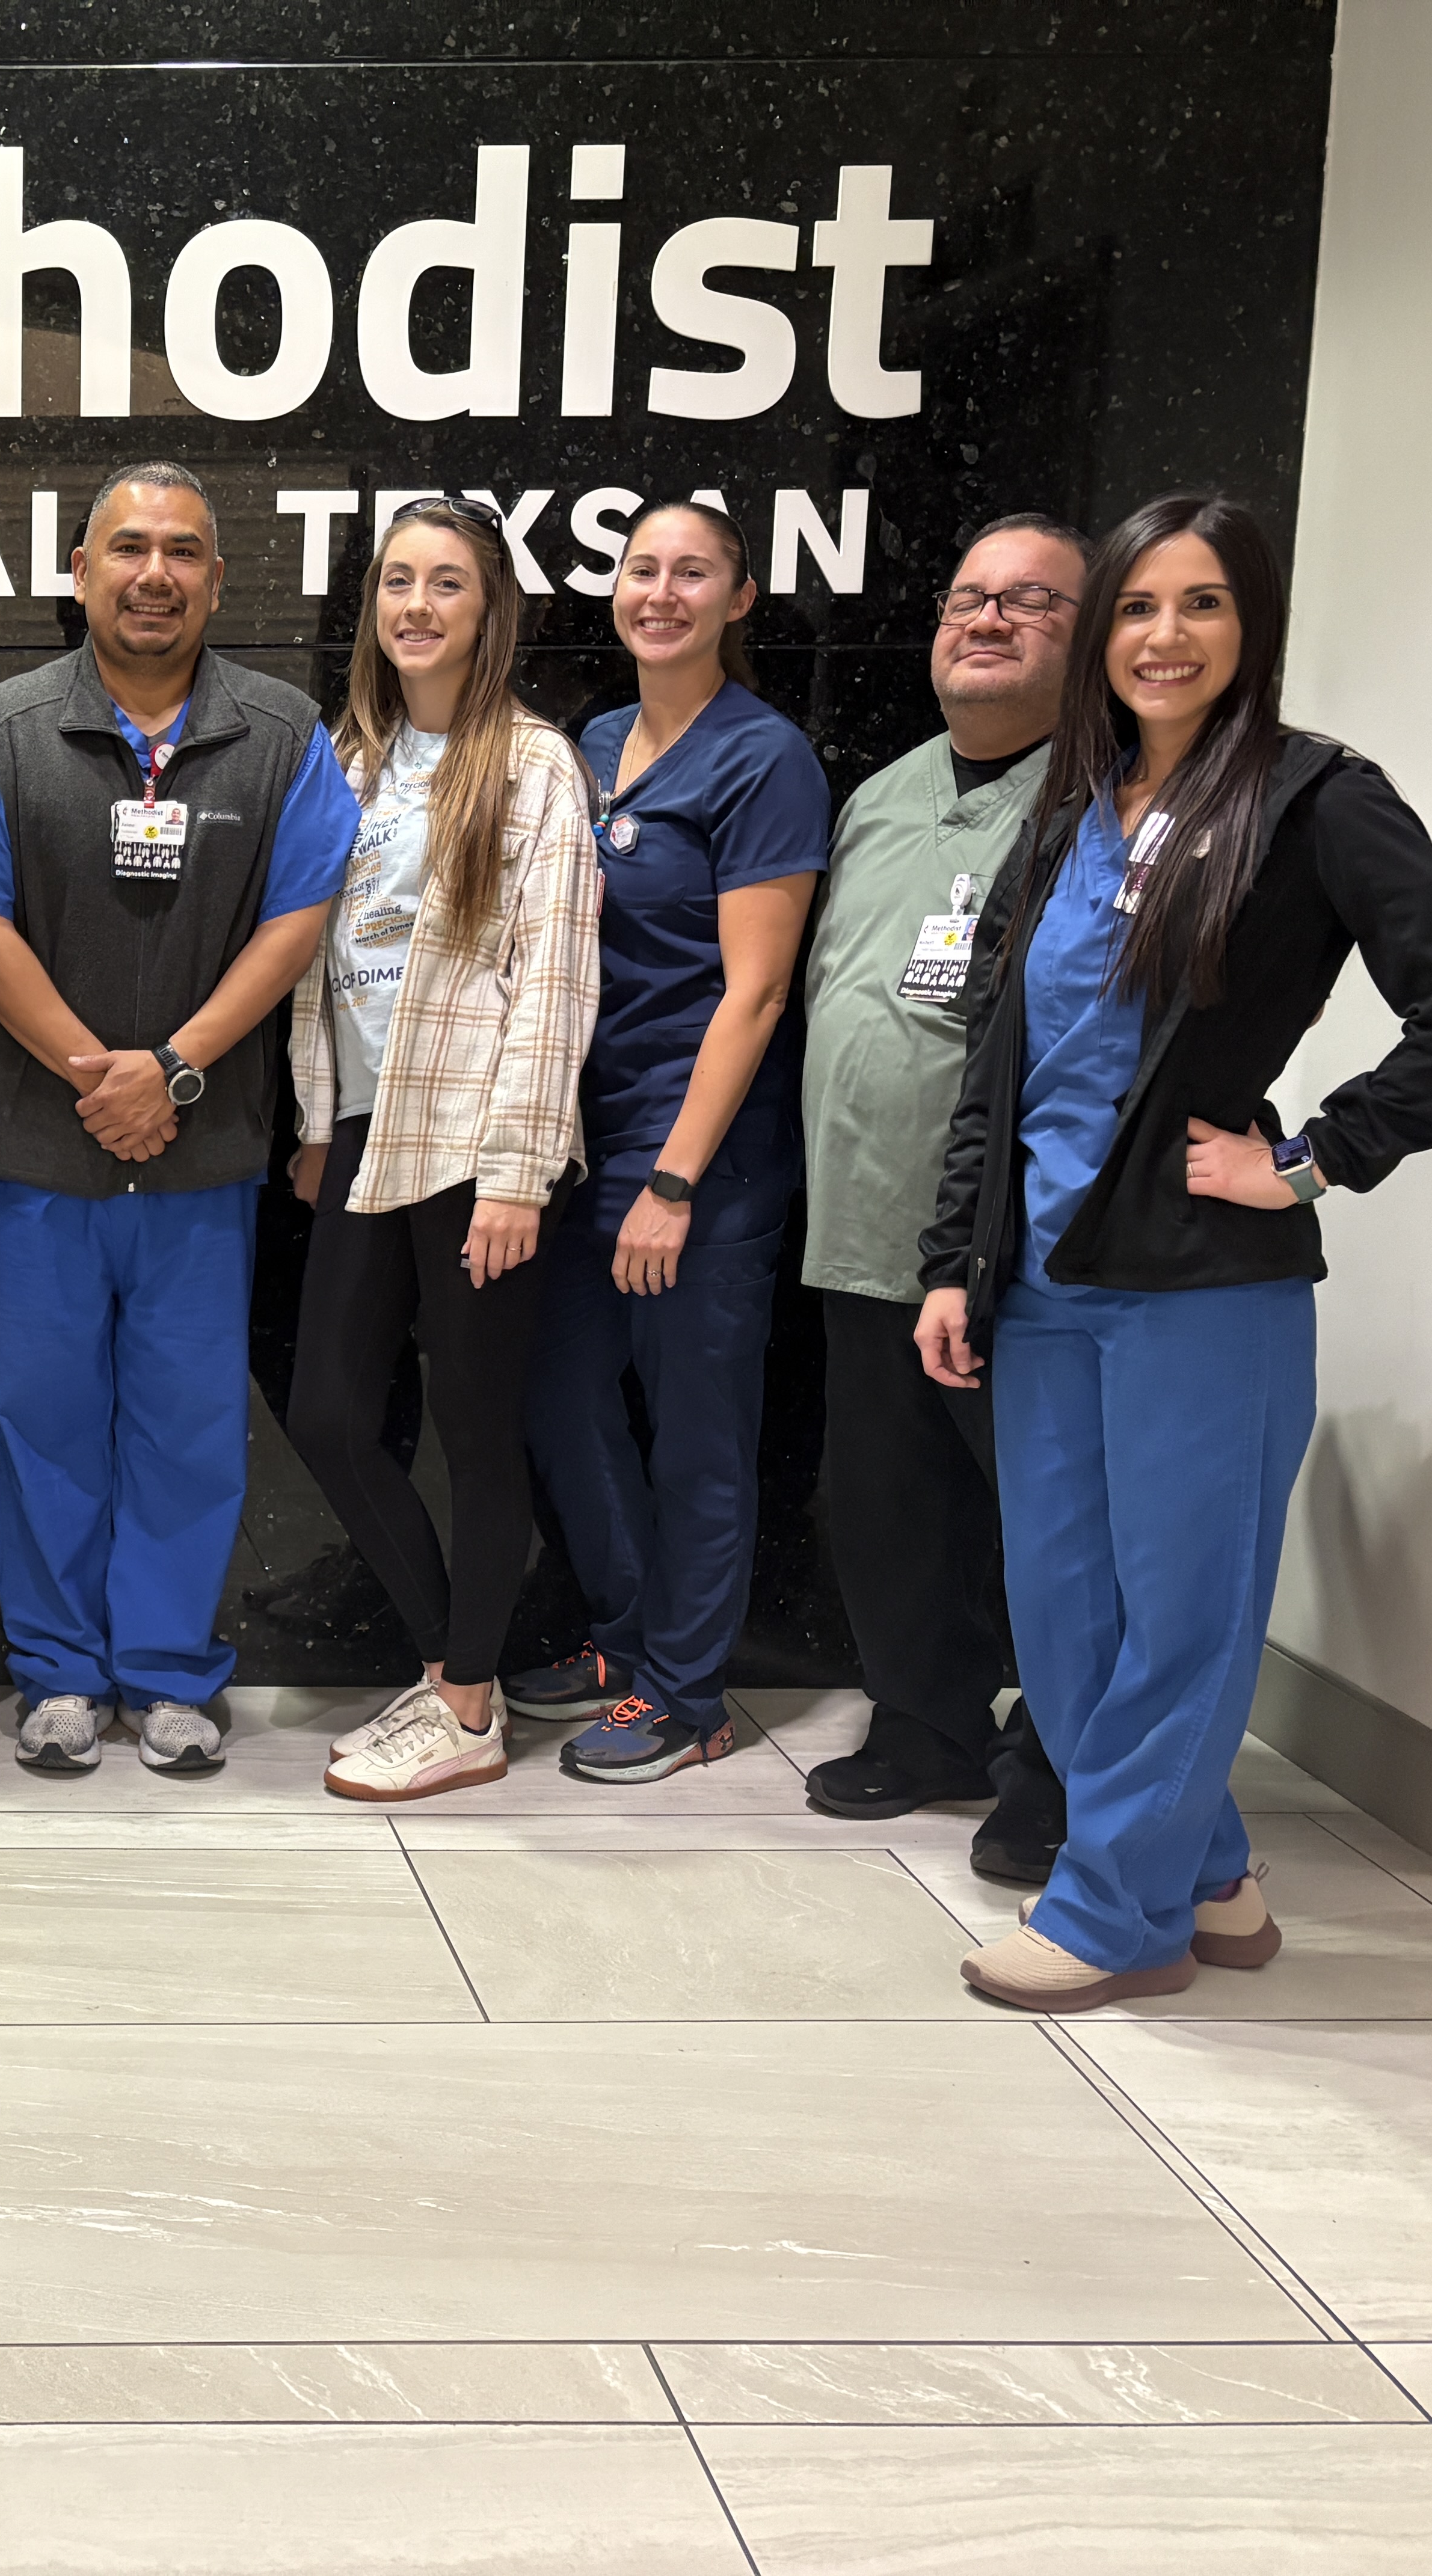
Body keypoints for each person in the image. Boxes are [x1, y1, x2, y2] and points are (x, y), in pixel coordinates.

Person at [916, 492, 1432, 2010]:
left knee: (1184, 1616)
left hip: (1201, 1290)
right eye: (1136, 607)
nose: (1164, 637)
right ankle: (1214, 1881)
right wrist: (954, 1255)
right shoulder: (1072, 804)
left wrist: (1315, 1158)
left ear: (1250, 626)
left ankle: (1121, 1920)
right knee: (1067, 1625)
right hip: (1044, 1281)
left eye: (1200, 606)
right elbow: (1004, 1055)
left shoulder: (1317, 800)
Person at [0, 462, 352, 1773]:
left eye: (183, 551)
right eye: (129, 548)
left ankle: (172, 1672)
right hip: (43, 1155)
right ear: (82, 571)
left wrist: (168, 1068)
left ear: (220, 581)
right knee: (43, 1421)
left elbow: (301, 918)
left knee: (184, 1425)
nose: (155, 573)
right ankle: (60, 1674)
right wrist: (90, 1072)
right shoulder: (0, 728)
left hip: (204, 1154)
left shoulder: (284, 733)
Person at [285, 496, 601, 1802]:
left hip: (476, 1139)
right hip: (365, 1131)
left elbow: (556, 980)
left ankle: (467, 1704)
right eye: (398, 582)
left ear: (491, 611)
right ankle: (450, 1665)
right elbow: (314, 963)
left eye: (447, 584)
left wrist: (520, 1172)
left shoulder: (532, 766)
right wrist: (315, 1120)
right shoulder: (348, 758)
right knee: (330, 1415)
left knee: (475, 1433)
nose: (416, 605)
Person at [510, 499, 831, 1783]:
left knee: (698, 1431)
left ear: (739, 598)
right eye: (643, 569)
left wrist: (676, 1180)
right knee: (566, 1403)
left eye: (693, 572)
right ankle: (626, 1640)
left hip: (696, 1153)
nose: (663, 592)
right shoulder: (591, 744)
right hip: (582, 1141)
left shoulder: (766, 760)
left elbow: (754, 993)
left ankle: (690, 1693)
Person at [795, 516, 1084, 1881]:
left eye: (1033, 604)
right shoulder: (884, 795)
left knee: (1042, 1521)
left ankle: (1060, 1766)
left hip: (1010, 1244)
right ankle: (926, 1726)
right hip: (861, 1228)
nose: (989, 621)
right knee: (889, 1501)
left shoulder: (1100, 804)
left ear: (1089, 645)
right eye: (970, 597)